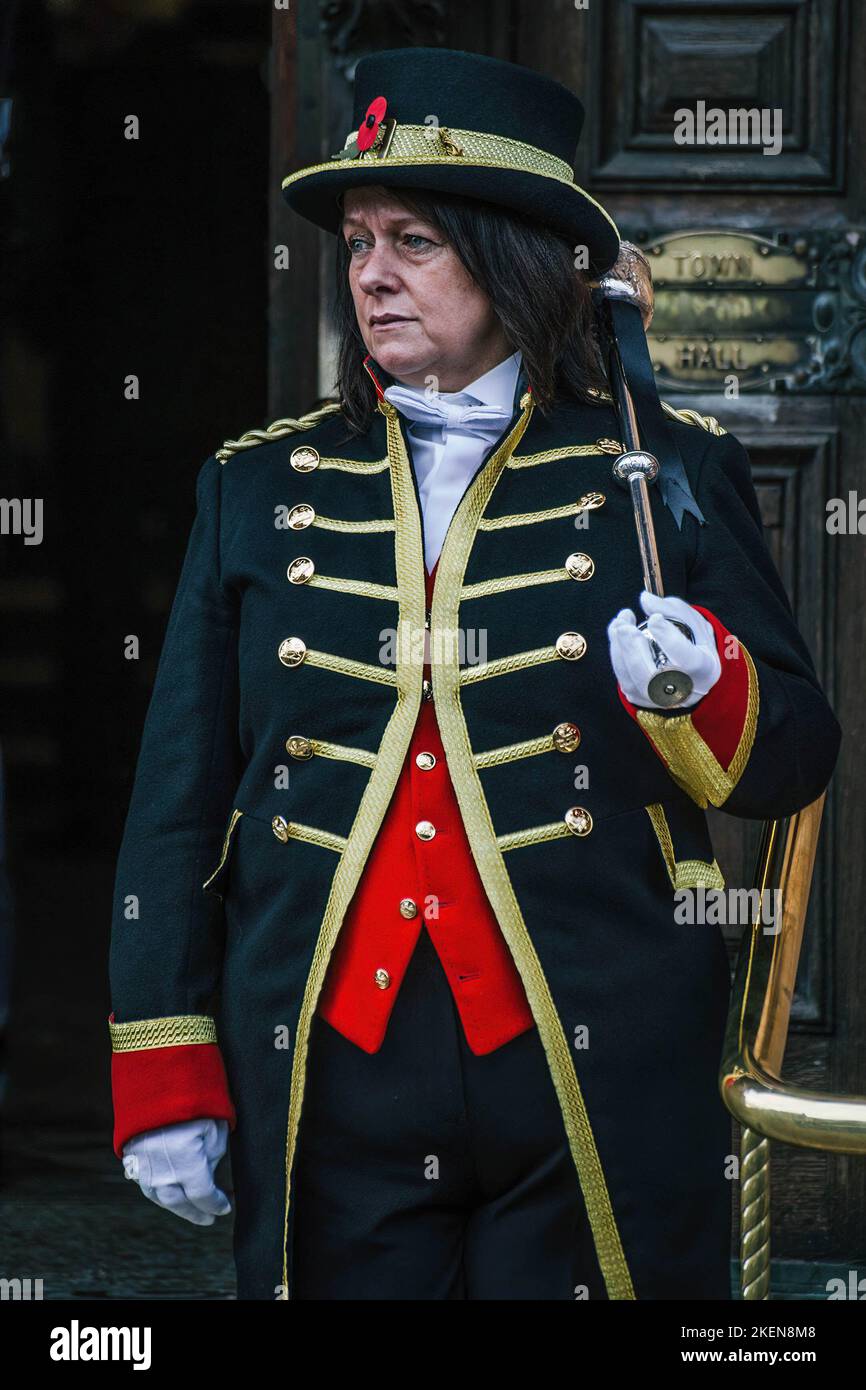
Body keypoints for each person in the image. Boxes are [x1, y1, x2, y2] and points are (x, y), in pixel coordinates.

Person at [108, 46, 841, 1300]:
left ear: (510, 261)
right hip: (334, 1060)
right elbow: (180, 795)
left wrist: (700, 688)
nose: (371, 276)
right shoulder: (257, 483)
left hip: (587, 1051)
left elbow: (787, 763)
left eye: (413, 240)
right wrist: (164, 1064)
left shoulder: (664, 470)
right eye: (356, 242)